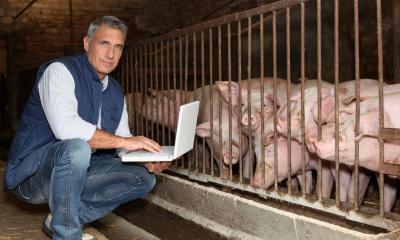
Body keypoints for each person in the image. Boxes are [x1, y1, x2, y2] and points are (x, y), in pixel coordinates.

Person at [4, 16, 170, 240]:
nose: (111, 54)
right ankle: (67, 235)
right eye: (104, 44)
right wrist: (125, 142)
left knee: (143, 178)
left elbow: (122, 140)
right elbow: (66, 128)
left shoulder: (115, 91)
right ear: (86, 43)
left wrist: (146, 156)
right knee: (77, 148)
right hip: (34, 176)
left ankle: (61, 220)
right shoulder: (60, 71)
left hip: (81, 171)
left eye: (118, 47)